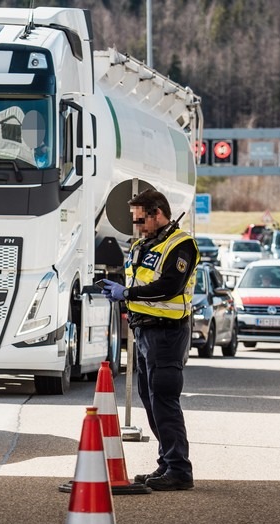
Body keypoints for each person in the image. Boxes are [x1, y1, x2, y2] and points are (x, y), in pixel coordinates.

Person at [101, 188, 199, 492]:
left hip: (167, 333)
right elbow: (138, 280)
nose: (138, 226)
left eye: (141, 219)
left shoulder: (181, 245)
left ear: (157, 213)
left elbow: (170, 285)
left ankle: (180, 470)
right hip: (144, 331)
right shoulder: (144, 244)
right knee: (151, 399)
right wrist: (117, 289)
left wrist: (127, 294)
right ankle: (167, 464)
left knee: (164, 399)